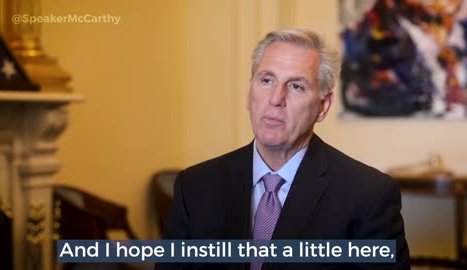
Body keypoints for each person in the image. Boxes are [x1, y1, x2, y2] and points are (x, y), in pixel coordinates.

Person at [155, 28, 410, 270]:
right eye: (267, 80)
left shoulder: (369, 196)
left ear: (323, 106)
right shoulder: (195, 186)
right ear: (248, 92)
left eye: (296, 86)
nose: (276, 99)